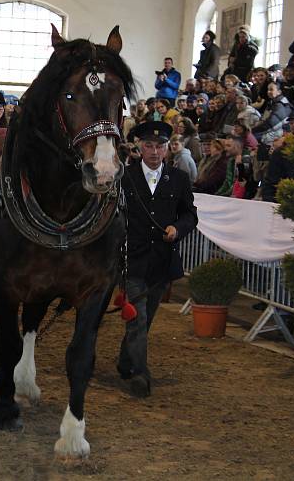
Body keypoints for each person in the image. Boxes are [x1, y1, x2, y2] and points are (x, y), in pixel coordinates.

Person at [118, 121, 197, 398]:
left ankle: (126, 360)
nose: (154, 151)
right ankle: (140, 373)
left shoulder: (178, 179)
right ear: (139, 146)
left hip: (162, 262)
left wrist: (178, 229)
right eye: (149, 145)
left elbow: (190, 215)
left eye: (160, 146)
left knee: (146, 318)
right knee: (137, 317)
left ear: (167, 148)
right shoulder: (124, 177)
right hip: (133, 259)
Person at [253, 82, 292, 147]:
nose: (268, 92)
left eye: (271, 89)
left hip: (277, 133)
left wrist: (253, 130)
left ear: (279, 92)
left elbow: (271, 124)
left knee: (248, 136)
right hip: (270, 130)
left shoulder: (281, 105)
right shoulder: (272, 102)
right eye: (268, 89)